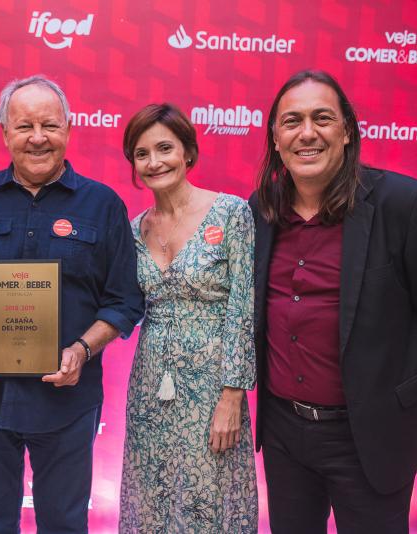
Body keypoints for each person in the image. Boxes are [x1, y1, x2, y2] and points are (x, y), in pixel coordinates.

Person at [0, 75, 144, 533]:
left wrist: (81, 349)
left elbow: (124, 300)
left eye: (50, 125)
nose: (38, 138)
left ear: (69, 129)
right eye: (24, 126)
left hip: (67, 400)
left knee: (64, 524)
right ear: (5, 132)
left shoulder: (102, 205)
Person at [251, 70, 417, 533]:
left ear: (347, 131)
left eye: (322, 118)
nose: (307, 133)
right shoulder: (259, 211)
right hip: (284, 435)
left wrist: (383, 372)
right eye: (292, 121)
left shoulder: (406, 204)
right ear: (276, 139)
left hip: (372, 434)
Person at [118, 103, 258, 533]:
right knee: (151, 497)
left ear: (188, 153)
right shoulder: (134, 229)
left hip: (212, 387)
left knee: (208, 498)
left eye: (165, 148)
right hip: (150, 386)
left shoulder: (231, 213)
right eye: (142, 154)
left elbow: (243, 307)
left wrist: (232, 396)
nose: (154, 162)